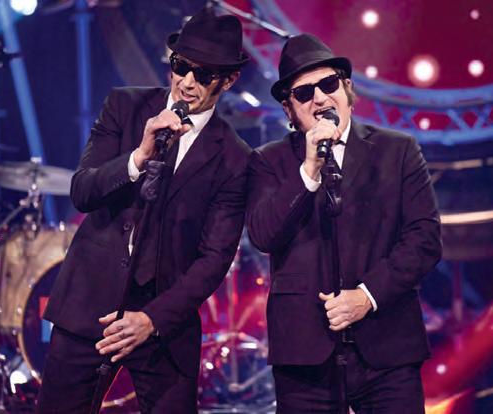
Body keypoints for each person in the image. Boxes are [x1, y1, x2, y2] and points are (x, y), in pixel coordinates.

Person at [37, 8, 250, 413]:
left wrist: (151, 319)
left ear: (228, 80)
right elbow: (83, 191)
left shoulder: (235, 158)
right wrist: (138, 156)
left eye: (204, 74)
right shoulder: (125, 107)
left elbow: (214, 259)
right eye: (181, 66)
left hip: (164, 322)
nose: (187, 82)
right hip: (89, 304)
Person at [246, 33, 442, 413]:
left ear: (347, 89)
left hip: (387, 347)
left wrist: (366, 296)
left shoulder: (397, 150)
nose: (319, 98)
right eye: (304, 93)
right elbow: (264, 234)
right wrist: (309, 169)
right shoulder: (268, 161)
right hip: (304, 357)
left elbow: (424, 239)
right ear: (289, 109)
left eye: (328, 84)